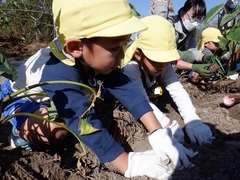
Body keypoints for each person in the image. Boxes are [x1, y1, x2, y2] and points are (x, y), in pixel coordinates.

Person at [0, 0, 198, 179]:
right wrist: (127, 162)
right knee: (56, 128)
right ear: (76, 47)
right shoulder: (57, 71)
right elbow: (81, 119)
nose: (122, 55)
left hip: (60, 96)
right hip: (21, 101)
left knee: (103, 93)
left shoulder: (89, 55)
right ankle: (20, 135)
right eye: (115, 48)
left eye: (124, 45)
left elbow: (126, 88)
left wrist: (158, 133)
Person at [123, 15, 214, 146]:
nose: (163, 65)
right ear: (138, 54)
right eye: (157, 60)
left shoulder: (163, 65)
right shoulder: (130, 68)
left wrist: (193, 120)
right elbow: (142, 101)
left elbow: (177, 90)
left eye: (166, 60)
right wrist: (166, 124)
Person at [151, 0, 214, 79]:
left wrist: (204, 57)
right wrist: (194, 67)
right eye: (193, 16)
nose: (195, 21)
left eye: (199, 18)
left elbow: (192, 49)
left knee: (189, 55)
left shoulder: (192, 30)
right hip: (165, 61)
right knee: (187, 56)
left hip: (178, 61)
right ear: (182, 13)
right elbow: (171, 57)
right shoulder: (170, 25)